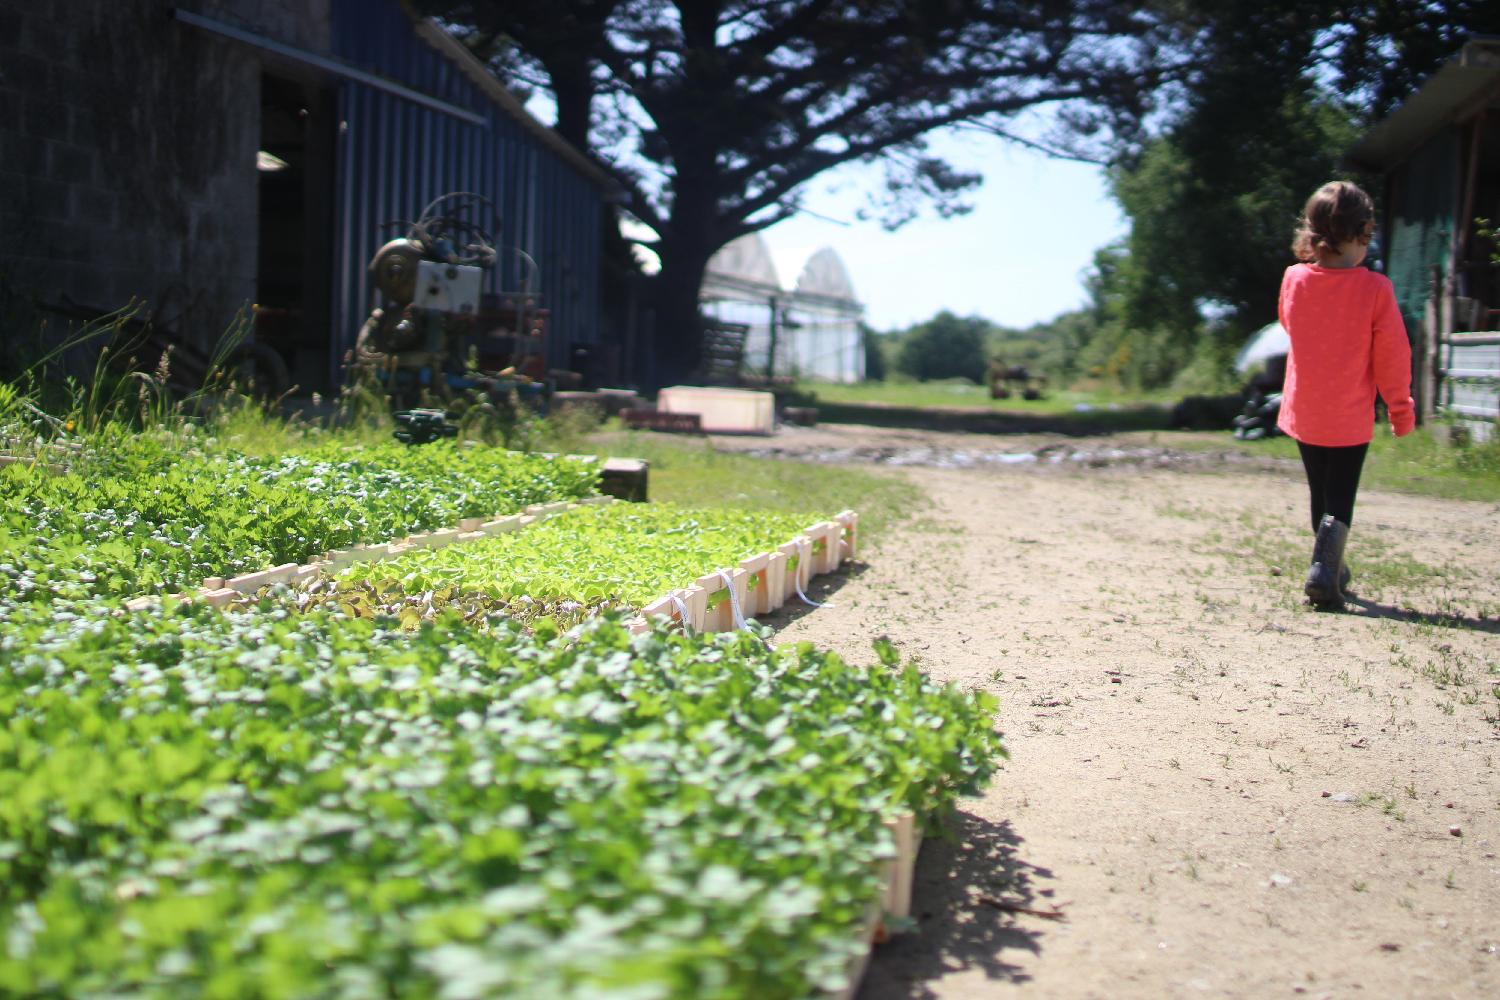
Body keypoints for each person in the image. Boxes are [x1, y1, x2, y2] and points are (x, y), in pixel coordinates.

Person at [1276, 181, 1414, 608]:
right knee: (1340, 496)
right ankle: (1324, 571)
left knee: (1319, 491)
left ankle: (1330, 566)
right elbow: (1393, 354)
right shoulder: (1374, 289)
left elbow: (1287, 324)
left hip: (1305, 410)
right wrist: (1400, 406)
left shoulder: (1294, 279)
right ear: (1364, 231)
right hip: (1349, 415)